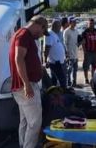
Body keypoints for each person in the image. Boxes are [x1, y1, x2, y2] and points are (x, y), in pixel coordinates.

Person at [9, 15, 49, 148]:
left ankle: (23, 145)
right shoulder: (24, 35)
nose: (42, 35)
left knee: (25, 121)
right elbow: (18, 58)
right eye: (44, 31)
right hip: (26, 85)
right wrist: (26, 84)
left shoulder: (20, 34)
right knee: (35, 122)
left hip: (20, 86)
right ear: (40, 25)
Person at [44, 19, 67, 87]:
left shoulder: (54, 34)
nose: (60, 28)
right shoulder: (50, 35)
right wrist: (45, 60)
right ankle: (63, 94)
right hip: (56, 62)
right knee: (62, 80)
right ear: (55, 26)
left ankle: (56, 94)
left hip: (59, 62)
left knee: (55, 80)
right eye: (59, 26)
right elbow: (47, 48)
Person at [81, 18, 96, 84]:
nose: (91, 25)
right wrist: (85, 52)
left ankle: (93, 78)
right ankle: (86, 79)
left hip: (95, 52)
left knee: (94, 66)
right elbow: (83, 43)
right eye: (90, 23)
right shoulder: (85, 32)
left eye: (92, 23)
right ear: (87, 24)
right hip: (88, 52)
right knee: (86, 66)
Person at [63, 17, 79, 87]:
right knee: (69, 69)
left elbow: (77, 42)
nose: (75, 23)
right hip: (69, 54)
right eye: (73, 22)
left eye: (75, 22)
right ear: (69, 22)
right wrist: (67, 53)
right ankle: (68, 82)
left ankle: (74, 82)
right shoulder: (66, 31)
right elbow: (64, 43)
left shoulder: (76, 31)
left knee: (75, 69)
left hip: (75, 53)